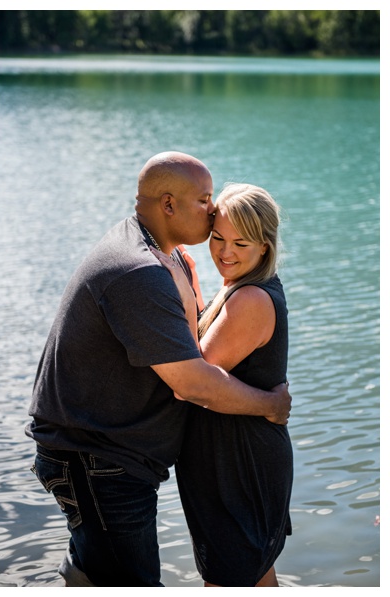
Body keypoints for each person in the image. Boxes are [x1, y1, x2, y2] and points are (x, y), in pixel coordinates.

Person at [25, 151, 292, 587]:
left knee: (111, 576)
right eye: (204, 199)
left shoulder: (168, 257)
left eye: (239, 241)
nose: (212, 209)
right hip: (97, 459)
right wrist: (271, 405)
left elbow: (193, 348)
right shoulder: (140, 271)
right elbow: (193, 382)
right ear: (168, 205)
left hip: (118, 458)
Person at [152, 183, 291, 587]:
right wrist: (191, 282)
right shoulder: (239, 286)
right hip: (235, 457)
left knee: (227, 579)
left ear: (264, 247)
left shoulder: (250, 299)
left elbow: (192, 383)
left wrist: (177, 286)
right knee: (255, 576)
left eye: (240, 243)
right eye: (217, 239)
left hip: (238, 465)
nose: (225, 253)